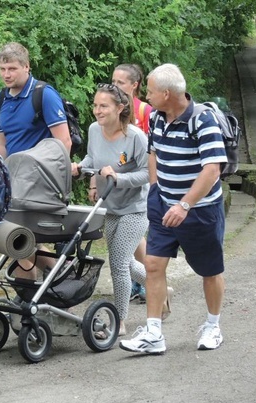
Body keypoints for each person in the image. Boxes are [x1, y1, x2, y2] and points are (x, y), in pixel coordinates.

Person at [119, 63, 228, 354]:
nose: (147, 97)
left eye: (151, 92)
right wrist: (155, 190)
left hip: (200, 210)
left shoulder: (203, 120)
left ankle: (212, 326)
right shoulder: (156, 116)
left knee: (209, 270)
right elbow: (154, 153)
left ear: (167, 93)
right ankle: (154, 333)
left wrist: (184, 204)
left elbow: (212, 170)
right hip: (163, 204)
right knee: (153, 265)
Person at [71, 83, 149, 335]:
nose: (97, 110)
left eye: (103, 106)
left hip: (135, 208)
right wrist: (80, 168)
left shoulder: (135, 137)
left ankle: (120, 320)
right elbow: (93, 160)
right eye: (95, 105)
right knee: (125, 263)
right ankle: (158, 286)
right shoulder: (95, 130)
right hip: (110, 207)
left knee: (117, 263)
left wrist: (118, 177)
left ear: (120, 108)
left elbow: (149, 174)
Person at [0, 42, 68, 279]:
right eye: (2, 69)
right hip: (12, 179)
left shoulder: (43, 94)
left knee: (19, 237)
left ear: (27, 67)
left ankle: (34, 289)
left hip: (40, 180)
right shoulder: (2, 98)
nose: (6, 74)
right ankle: (60, 278)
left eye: (12, 68)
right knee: (23, 239)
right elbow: (2, 142)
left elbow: (63, 142)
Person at [112, 63, 152, 302]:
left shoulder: (145, 110)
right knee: (133, 241)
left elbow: (150, 152)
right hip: (118, 185)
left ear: (134, 85)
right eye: (113, 81)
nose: (114, 86)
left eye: (120, 83)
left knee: (136, 238)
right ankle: (145, 279)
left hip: (139, 183)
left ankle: (150, 281)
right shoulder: (113, 109)